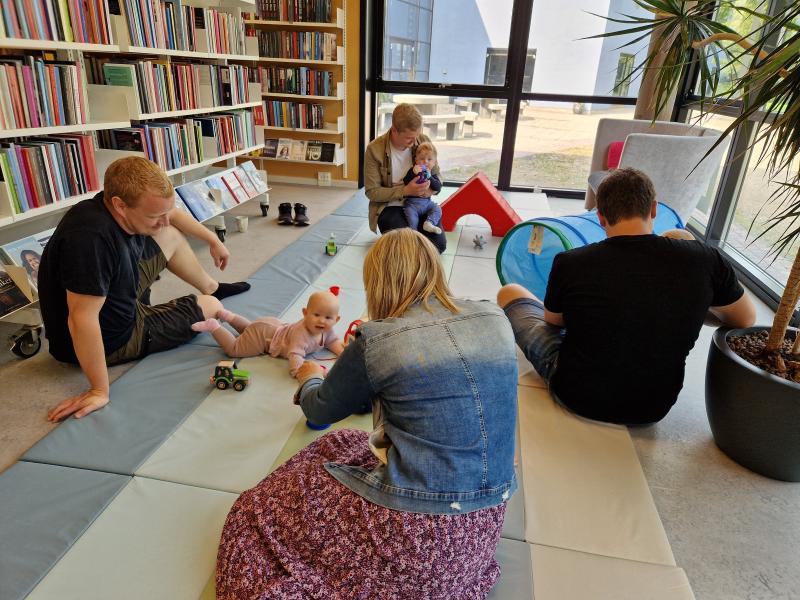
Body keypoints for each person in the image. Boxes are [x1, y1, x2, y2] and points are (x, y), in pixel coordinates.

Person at [216, 229, 518, 599]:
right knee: (346, 442)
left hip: (417, 538)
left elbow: (320, 408)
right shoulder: (495, 316)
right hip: (483, 529)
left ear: (377, 281)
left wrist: (310, 376)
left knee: (257, 509)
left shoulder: (377, 339)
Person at [498, 167, 756, 425]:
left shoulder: (570, 262)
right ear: (653, 209)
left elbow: (554, 322)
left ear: (601, 218)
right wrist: (690, 304)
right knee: (681, 238)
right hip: (652, 407)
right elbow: (745, 319)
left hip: (576, 395)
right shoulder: (706, 259)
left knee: (510, 292)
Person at [38, 157, 252, 421]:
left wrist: (212, 240)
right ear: (120, 205)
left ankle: (212, 286)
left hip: (117, 290)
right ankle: (209, 296)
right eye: (154, 216)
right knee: (211, 306)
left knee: (170, 234)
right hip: (112, 337)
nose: (164, 220)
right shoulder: (90, 240)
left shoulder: (111, 204)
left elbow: (170, 214)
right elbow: (81, 319)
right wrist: (99, 390)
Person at [192, 287, 345, 377]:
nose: (322, 321)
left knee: (249, 329)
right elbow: (295, 358)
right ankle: (214, 326)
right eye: (316, 315)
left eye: (328, 317)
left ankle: (228, 316)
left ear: (336, 319)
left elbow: (333, 342)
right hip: (264, 338)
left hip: (271, 326)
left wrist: (343, 353)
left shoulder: (327, 330)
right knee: (235, 348)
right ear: (305, 313)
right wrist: (304, 372)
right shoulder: (301, 335)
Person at [364, 103, 447, 253]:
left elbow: (438, 175)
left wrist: (431, 190)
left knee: (437, 246)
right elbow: (372, 192)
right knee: (405, 248)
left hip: (422, 203)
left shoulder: (422, 140)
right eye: (409, 138)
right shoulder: (374, 150)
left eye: (416, 136)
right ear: (394, 130)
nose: (414, 142)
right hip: (391, 206)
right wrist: (406, 191)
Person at [401, 141, 443, 233]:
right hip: (412, 204)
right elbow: (406, 181)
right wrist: (413, 173)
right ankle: (414, 232)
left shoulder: (432, 174)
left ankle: (429, 223)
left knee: (437, 209)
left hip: (427, 203)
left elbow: (437, 187)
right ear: (416, 160)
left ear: (434, 162)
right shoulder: (413, 171)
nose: (425, 161)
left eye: (429, 159)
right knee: (411, 219)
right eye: (422, 159)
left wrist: (430, 177)